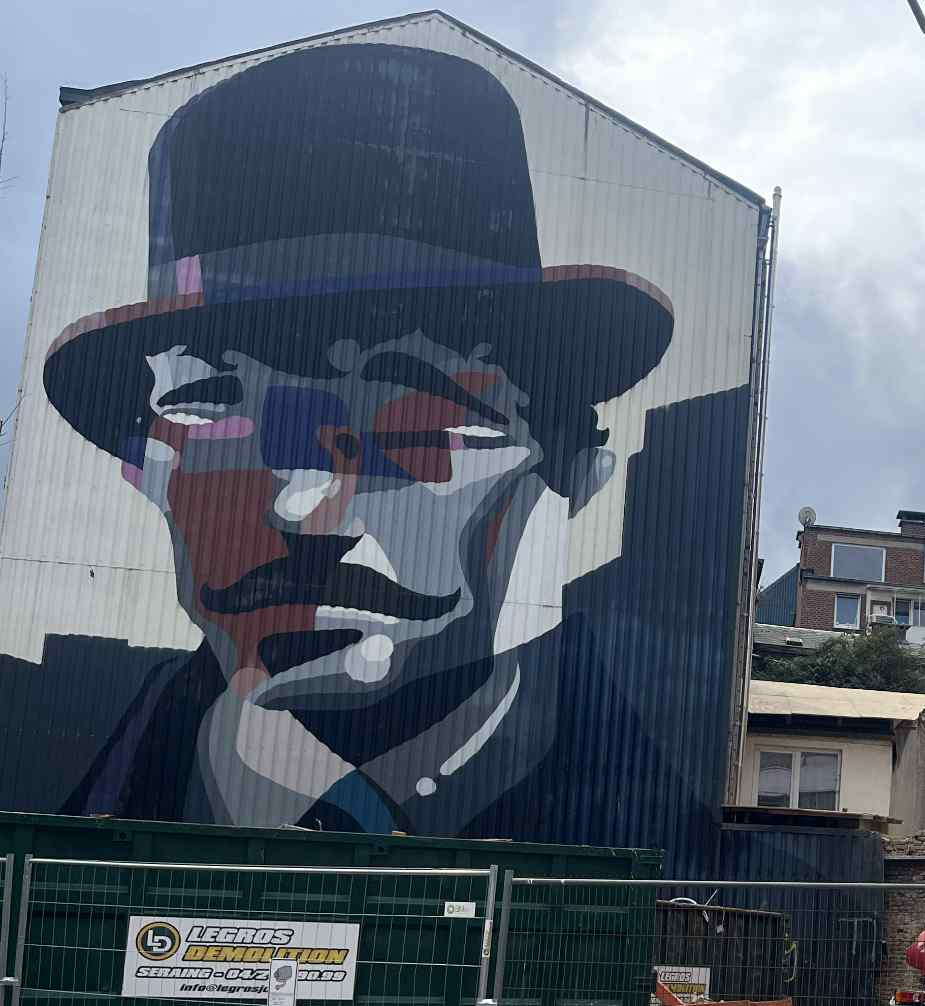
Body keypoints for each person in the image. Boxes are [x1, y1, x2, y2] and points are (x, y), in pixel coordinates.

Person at [40, 43, 689, 835]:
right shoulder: (45, 878)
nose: (302, 504)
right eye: (212, 410)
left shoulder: (661, 868)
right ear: (143, 471)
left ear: (573, 476)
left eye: (418, 422)